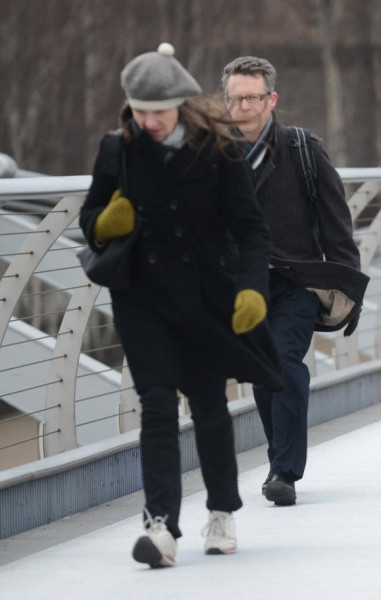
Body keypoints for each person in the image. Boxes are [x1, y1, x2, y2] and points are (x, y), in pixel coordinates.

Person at [79, 43, 284, 567]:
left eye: (158, 111)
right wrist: (105, 223)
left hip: (205, 296)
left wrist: (251, 289)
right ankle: (161, 525)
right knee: (156, 406)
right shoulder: (117, 150)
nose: (148, 120)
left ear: (181, 104)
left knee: (210, 407)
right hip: (141, 298)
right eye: (139, 109)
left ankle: (221, 512)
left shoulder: (219, 150)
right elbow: (91, 217)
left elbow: (251, 230)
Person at [221, 56, 362, 507]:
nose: (244, 106)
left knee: (282, 363)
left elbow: (335, 218)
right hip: (242, 287)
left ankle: (284, 470)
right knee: (263, 374)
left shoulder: (302, 148)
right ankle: (278, 458)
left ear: (271, 99)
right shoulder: (212, 156)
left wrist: (348, 287)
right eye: (236, 98)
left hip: (296, 281)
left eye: (253, 97)